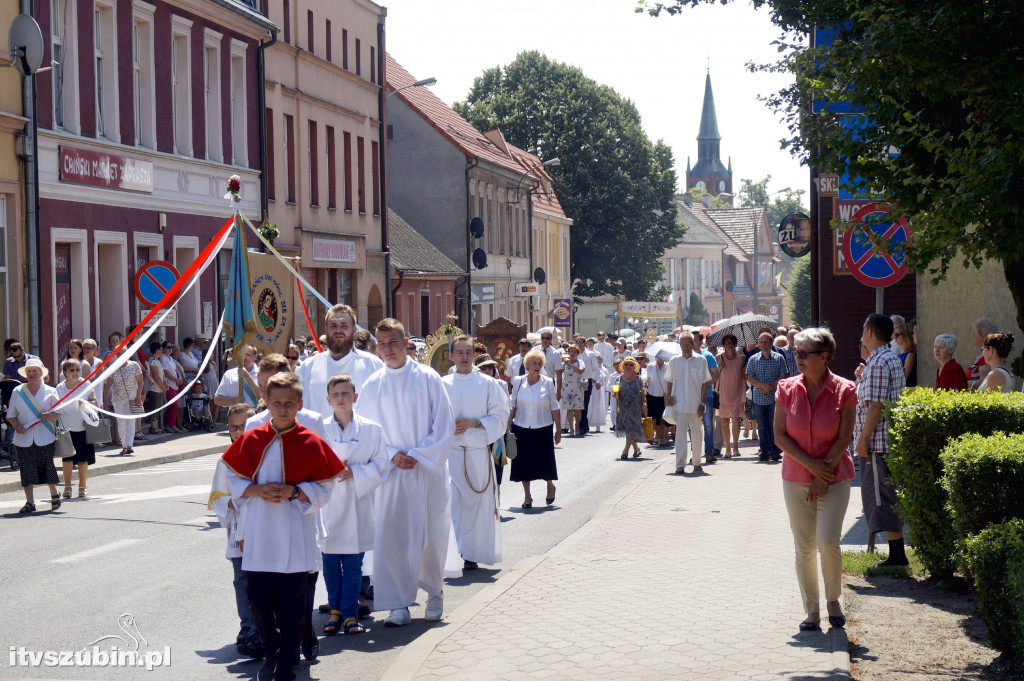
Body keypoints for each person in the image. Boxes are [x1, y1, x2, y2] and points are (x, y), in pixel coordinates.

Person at [221, 373, 344, 681]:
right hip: (259, 529)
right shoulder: (251, 438)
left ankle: (288, 661)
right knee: (260, 602)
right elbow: (232, 479)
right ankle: (271, 653)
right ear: (268, 403)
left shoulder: (311, 441)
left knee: (293, 603)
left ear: (299, 405)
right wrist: (255, 491)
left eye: (290, 403)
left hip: (295, 529)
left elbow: (327, 486)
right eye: (277, 403)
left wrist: (295, 491)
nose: (283, 408)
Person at [357, 318, 455, 627]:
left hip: (426, 471)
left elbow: (444, 424)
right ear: (377, 347)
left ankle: (434, 592)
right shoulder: (373, 385)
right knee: (393, 537)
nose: (388, 349)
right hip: (392, 474)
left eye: (393, 343)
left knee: (431, 535)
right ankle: (398, 602)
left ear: (405, 343)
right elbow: (366, 431)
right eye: (382, 344)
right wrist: (390, 455)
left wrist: (418, 454)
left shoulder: (427, 378)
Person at [774, 328, 858, 632]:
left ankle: (833, 599)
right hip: (796, 477)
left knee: (827, 542)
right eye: (795, 352)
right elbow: (780, 436)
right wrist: (812, 468)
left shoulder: (845, 389)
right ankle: (811, 610)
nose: (797, 358)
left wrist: (824, 473)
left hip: (835, 477)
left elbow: (845, 435)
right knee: (804, 546)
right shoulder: (786, 388)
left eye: (803, 353)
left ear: (824, 357)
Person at [318, 373, 388, 636]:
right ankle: (334, 608)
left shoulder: (372, 429)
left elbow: (382, 464)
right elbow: (310, 462)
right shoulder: (319, 428)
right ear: (328, 399)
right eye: (335, 394)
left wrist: (355, 473)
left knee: (353, 562)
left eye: (345, 393)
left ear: (355, 397)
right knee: (329, 560)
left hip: (358, 502)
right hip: (329, 502)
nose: (341, 398)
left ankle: (349, 613)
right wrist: (329, 471)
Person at [442, 336, 511, 571]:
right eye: (459, 352)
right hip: (448, 453)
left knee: (477, 504)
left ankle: (472, 552)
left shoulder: (488, 384)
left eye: (468, 352)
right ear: (451, 355)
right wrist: (446, 426)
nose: (463, 357)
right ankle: (452, 550)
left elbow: (501, 415)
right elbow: (428, 416)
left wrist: (475, 423)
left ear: (474, 355)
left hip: (477, 451)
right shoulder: (441, 384)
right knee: (451, 505)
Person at [207, 403, 264, 659]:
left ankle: (268, 626)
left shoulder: (264, 453)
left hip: (264, 530)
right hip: (238, 530)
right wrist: (230, 501)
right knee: (242, 581)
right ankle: (248, 628)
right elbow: (216, 497)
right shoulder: (226, 460)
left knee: (265, 581)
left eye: (243, 425)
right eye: (233, 427)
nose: (239, 431)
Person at [855, 314, 908, 567]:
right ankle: (896, 554)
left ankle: (897, 556)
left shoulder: (878, 362)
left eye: (864, 329)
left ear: (870, 333)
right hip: (884, 440)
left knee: (882, 497)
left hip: (877, 442)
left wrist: (863, 439)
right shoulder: (885, 358)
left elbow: (876, 406)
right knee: (886, 496)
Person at [295, 304, 384, 419]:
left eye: (344, 326)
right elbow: (300, 413)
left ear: (354, 329)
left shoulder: (373, 365)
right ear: (326, 329)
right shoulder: (308, 367)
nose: (338, 330)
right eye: (333, 326)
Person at [7, 358, 62, 513]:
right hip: (23, 437)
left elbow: (58, 413)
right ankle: (30, 502)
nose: (31, 374)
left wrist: (48, 416)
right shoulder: (17, 392)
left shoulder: (50, 391)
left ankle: (54, 494)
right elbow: (11, 415)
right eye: (29, 371)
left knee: (47, 466)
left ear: (41, 373)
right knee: (26, 469)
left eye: (34, 371)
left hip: (44, 435)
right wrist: (17, 426)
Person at [509, 349, 561, 508]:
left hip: (543, 427)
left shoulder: (548, 382)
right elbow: (513, 404)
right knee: (523, 463)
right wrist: (508, 424)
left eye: (539, 363)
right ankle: (527, 496)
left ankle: (550, 485)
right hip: (521, 427)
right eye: (534, 363)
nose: (537, 366)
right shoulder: (518, 381)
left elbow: (554, 406)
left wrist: (558, 429)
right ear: (527, 365)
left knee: (545, 461)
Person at [666, 335, 713, 474]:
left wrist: (703, 403)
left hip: (695, 403)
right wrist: (668, 397)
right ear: (679, 344)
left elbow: (705, 384)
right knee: (680, 436)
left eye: (687, 344)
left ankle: (697, 462)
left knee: (697, 434)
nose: (685, 347)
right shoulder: (674, 361)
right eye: (682, 344)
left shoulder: (701, 360)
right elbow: (669, 381)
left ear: (693, 344)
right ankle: (680, 465)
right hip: (679, 404)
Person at [56, 358, 97, 498]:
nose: (75, 372)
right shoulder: (60, 387)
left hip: (83, 427)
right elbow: (56, 405)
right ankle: (67, 488)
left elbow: (94, 400)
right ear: (65, 372)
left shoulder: (86, 384)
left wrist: (86, 403)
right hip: (66, 428)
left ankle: (82, 486)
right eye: (72, 370)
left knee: (83, 459)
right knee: (67, 459)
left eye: (77, 370)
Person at [745, 332, 790, 462]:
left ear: (771, 343)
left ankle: (775, 450)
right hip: (759, 397)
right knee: (762, 426)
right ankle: (764, 451)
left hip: (775, 397)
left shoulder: (778, 358)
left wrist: (771, 385)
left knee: (774, 423)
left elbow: (785, 374)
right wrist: (761, 386)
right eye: (761, 342)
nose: (763, 344)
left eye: (766, 342)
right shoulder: (753, 359)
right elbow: (749, 376)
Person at [105, 348, 144, 456]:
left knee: (130, 421)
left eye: (122, 353)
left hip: (131, 398)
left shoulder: (134, 365)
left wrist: (138, 396)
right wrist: (105, 400)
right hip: (117, 398)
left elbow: (140, 381)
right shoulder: (113, 367)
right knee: (121, 422)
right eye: (118, 353)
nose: (120, 355)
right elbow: (108, 385)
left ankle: (129, 445)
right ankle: (124, 445)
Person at [715, 334, 746, 459]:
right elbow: (713, 375)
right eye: (727, 342)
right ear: (723, 345)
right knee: (724, 421)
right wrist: (719, 368)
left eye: (732, 342)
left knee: (736, 419)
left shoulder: (741, 358)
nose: (730, 345)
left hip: (737, 392)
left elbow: (745, 374)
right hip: (723, 393)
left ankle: (735, 448)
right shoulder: (718, 357)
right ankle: (727, 448)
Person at [693, 331, 721, 463]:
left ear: (700, 341)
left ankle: (709, 452)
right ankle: (696, 452)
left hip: (707, 395)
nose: (691, 344)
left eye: (694, 340)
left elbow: (716, 374)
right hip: (691, 396)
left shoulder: (707, 355)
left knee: (708, 425)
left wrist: (704, 384)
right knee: (692, 426)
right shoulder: (685, 357)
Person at [613, 356, 647, 459]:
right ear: (623, 366)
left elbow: (642, 393)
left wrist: (644, 404)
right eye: (626, 364)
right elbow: (615, 393)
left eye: (631, 365)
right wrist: (615, 394)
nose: (628, 366)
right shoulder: (618, 379)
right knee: (628, 429)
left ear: (634, 367)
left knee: (631, 428)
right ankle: (636, 448)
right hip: (622, 408)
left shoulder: (638, 379)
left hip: (635, 408)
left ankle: (625, 450)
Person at [215, 344, 260, 410]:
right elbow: (217, 400)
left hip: (256, 414)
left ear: (255, 357)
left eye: (248, 355)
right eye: (242, 354)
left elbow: (262, 397)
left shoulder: (261, 373)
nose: (244, 357)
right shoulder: (229, 374)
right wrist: (234, 400)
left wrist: (247, 376)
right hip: (235, 415)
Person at [559, 346, 586, 437]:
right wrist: (564, 363)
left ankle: (577, 426)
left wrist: (570, 365)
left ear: (577, 354)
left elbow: (580, 371)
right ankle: (571, 428)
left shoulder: (580, 362)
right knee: (569, 409)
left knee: (577, 410)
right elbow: (559, 372)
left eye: (574, 352)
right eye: (570, 352)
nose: (572, 353)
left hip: (577, 387)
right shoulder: (565, 363)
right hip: (567, 387)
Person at [966, 317, 998, 390]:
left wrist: (961, 383)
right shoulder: (981, 356)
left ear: (984, 337)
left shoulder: (989, 356)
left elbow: (984, 383)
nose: (973, 335)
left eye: (975, 332)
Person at [645, 352, 670, 446]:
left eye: (662, 357)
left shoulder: (668, 366)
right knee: (653, 417)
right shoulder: (650, 366)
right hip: (652, 393)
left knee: (663, 417)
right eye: (658, 357)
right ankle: (658, 434)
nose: (660, 358)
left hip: (664, 395)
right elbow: (647, 378)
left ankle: (662, 436)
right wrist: (646, 382)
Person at [147, 342, 168, 435]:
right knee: (154, 407)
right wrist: (163, 386)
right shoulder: (152, 361)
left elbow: (161, 375)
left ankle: (157, 426)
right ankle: (153, 427)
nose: (161, 351)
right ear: (155, 350)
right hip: (154, 388)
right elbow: (156, 376)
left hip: (159, 388)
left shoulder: (157, 361)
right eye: (159, 349)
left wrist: (165, 383)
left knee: (159, 407)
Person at [537, 331, 564, 402]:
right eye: (543, 338)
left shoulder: (555, 353)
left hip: (550, 382)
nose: (545, 340)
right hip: (536, 381)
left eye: (547, 338)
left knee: (549, 405)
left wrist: (558, 392)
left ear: (551, 339)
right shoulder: (535, 351)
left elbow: (559, 374)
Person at [588, 354, 608, 433]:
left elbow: (603, 381)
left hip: (598, 391)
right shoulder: (590, 370)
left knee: (598, 407)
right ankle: (588, 424)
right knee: (590, 406)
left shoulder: (601, 371)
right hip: (591, 390)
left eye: (599, 361)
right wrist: (593, 381)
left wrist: (599, 383)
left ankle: (598, 425)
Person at [894, 323, 917, 388]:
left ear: (905, 335)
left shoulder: (910, 355)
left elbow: (904, 376)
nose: (894, 338)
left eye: (897, 335)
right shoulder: (899, 354)